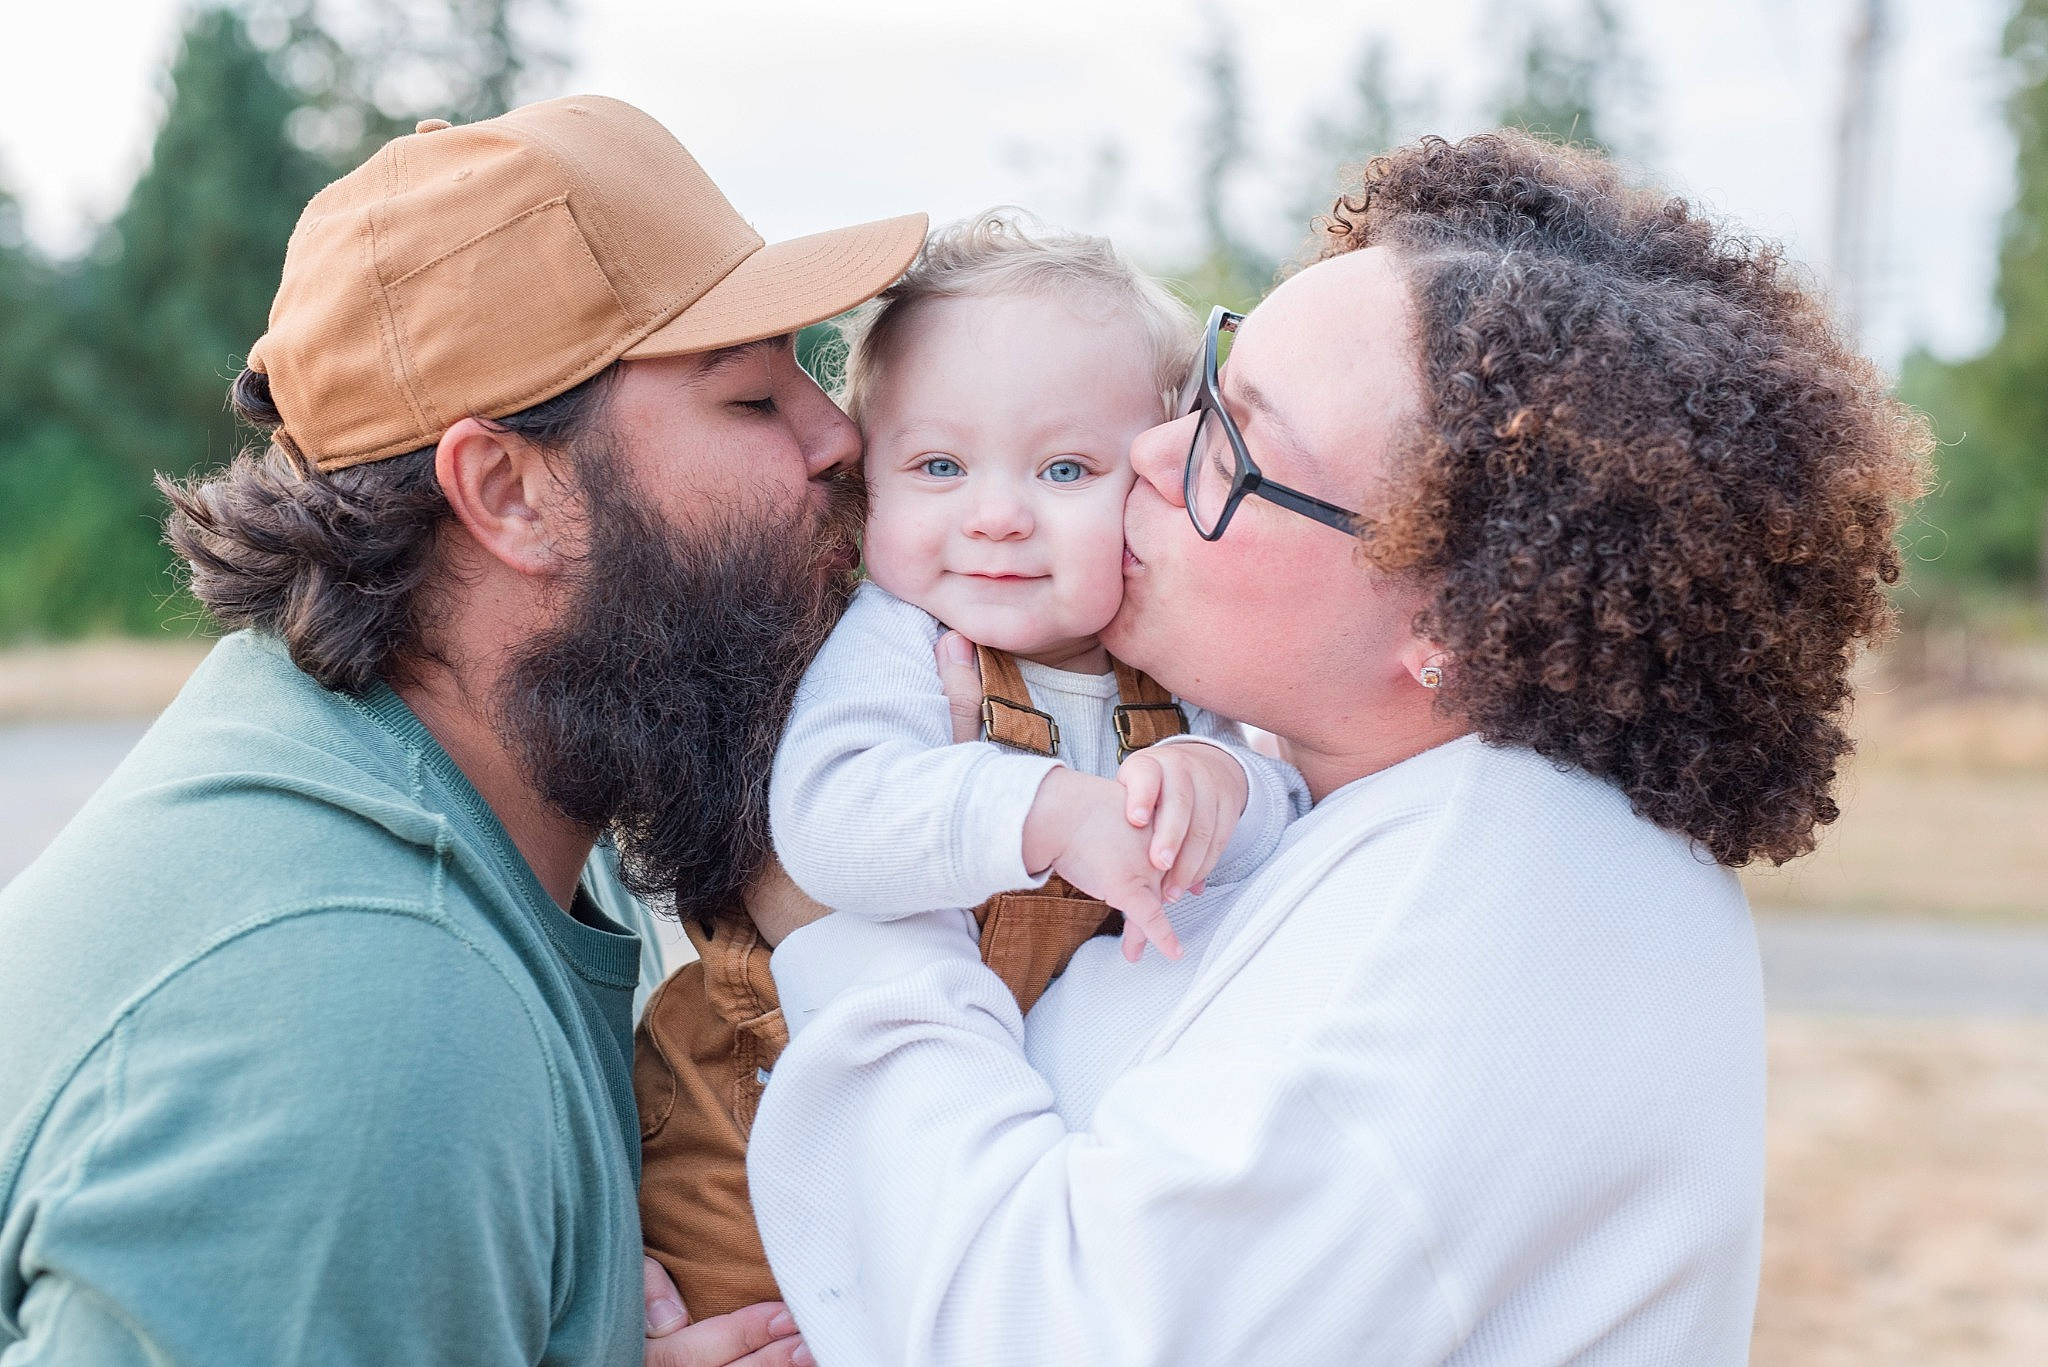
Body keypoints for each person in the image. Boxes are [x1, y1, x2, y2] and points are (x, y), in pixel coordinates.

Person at [714, 132, 1932, 1364]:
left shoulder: (1507, 893)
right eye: (1205, 390)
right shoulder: (1365, 806)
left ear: (1454, 615)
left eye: (1232, 447)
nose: (1144, 452)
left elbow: (1050, 1328)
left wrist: (840, 925)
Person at [0, 94, 925, 1366]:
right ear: (509, 491)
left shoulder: (475, 781)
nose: (841, 438)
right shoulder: (363, 1033)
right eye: (751, 398)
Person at [633, 211, 1309, 1322]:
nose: (995, 516)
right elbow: (829, 816)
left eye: (1063, 466)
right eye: (939, 464)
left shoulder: (1167, 667)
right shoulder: (899, 639)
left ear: (1152, 478)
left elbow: (1279, 808)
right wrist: (1043, 807)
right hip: (757, 1106)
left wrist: (1213, 780)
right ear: (871, 489)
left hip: (999, 1119)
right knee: (753, 1328)